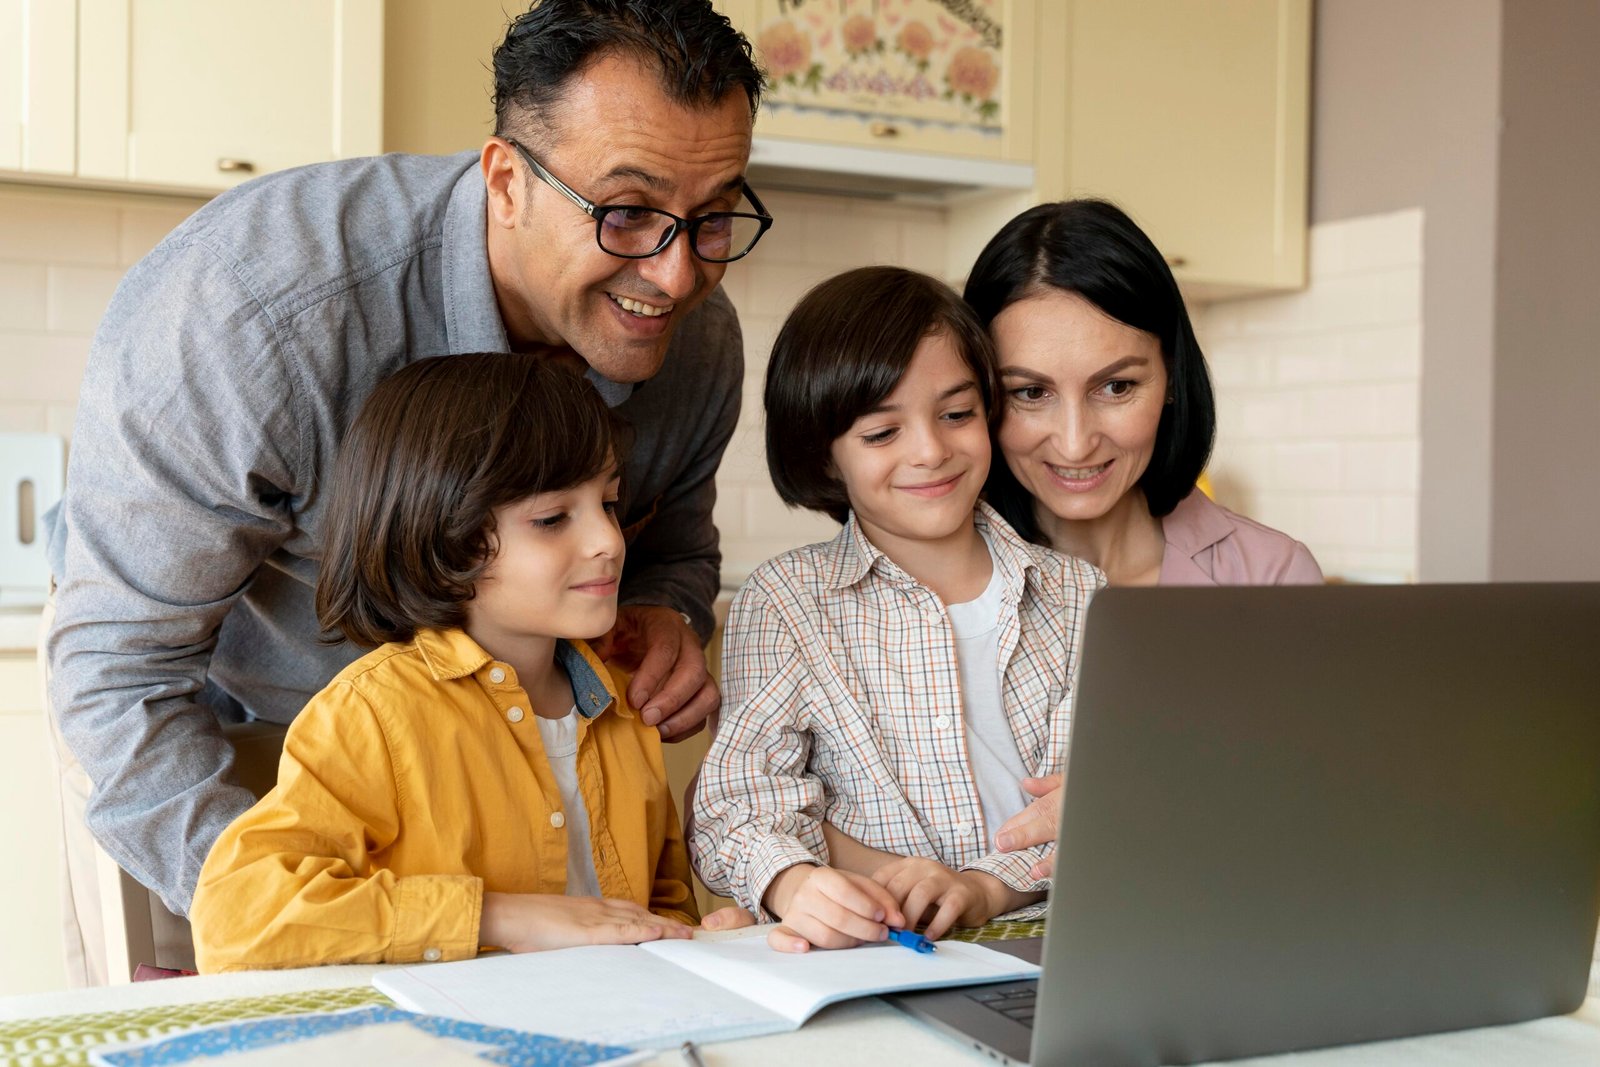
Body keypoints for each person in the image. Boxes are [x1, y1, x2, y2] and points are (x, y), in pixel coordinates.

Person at [44, 0, 766, 983]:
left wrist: (662, 612)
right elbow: (119, 678)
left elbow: (674, 545)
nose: (678, 274)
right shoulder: (257, 314)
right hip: (235, 753)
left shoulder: (687, 338)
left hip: (508, 822)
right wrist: (296, 918)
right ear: (507, 181)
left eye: (715, 213)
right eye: (627, 212)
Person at [190, 354, 732, 970]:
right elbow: (235, 918)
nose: (609, 540)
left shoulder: (625, 702)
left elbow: (656, 905)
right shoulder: (375, 715)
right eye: (553, 519)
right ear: (444, 536)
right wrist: (499, 915)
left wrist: (702, 937)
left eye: (608, 503)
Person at [689, 267, 1103, 952]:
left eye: (957, 413)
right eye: (882, 432)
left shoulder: (1078, 594)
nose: (931, 450)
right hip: (877, 951)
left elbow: (1089, 803)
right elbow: (735, 803)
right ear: (826, 459)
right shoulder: (786, 602)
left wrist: (981, 887)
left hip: (1065, 940)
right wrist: (795, 882)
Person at [963, 199, 1323, 871]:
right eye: (1029, 393)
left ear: (1171, 380)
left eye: (1117, 386)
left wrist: (1144, 800)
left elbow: (1319, 817)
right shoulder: (926, 581)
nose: (1074, 440)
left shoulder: (1270, 576)